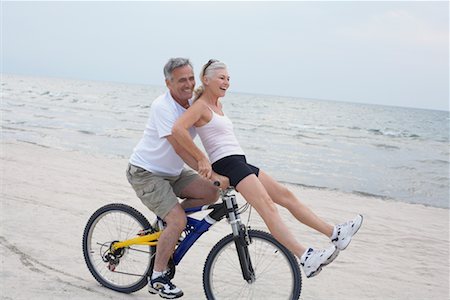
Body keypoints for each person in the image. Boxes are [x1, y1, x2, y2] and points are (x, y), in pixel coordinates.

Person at [172, 59, 363, 279]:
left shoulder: (218, 106)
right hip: (227, 164)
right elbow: (177, 129)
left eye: (228, 78)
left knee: (285, 195)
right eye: (222, 78)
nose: (227, 82)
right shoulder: (200, 107)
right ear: (206, 80)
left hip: (239, 161)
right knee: (268, 207)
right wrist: (202, 160)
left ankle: (335, 233)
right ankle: (305, 257)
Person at [126, 58, 226, 299]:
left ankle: (166, 222)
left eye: (191, 78)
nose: (188, 84)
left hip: (173, 173)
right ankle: (157, 277)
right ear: (168, 83)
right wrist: (209, 170)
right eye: (182, 80)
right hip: (145, 171)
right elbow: (181, 148)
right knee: (178, 220)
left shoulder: (194, 101)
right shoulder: (162, 107)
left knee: (212, 192)